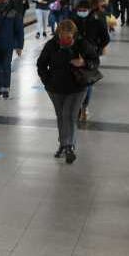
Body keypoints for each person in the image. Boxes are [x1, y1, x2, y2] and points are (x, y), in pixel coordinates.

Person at [37, 21, 92, 164]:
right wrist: (47, 81)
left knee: (70, 115)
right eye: (62, 37)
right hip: (55, 88)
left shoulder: (82, 44)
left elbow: (95, 61)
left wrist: (84, 63)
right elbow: (41, 64)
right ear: (58, 34)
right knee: (61, 116)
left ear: (74, 34)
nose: (65, 40)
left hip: (77, 88)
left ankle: (68, 146)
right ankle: (64, 145)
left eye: (68, 37)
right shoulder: (51, 45)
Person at [70, 1, 110, 123]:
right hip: (74, 54)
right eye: (79, 10)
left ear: (89, 9)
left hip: (90, 56)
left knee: (87, 81)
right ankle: (77, 107)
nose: (81, 12)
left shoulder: (96, 20)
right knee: (74, 81)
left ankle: (84, 106)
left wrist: (96, 49)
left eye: (84, 9)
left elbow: (105, 38)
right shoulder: (72, 20)